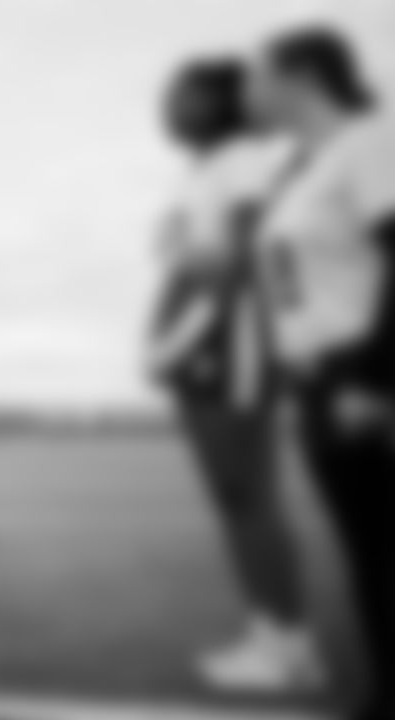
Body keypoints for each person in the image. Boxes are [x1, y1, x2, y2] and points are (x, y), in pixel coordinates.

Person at [148, 57, 321, 691]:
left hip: (232, 348)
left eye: (181, 94)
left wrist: (175, 345)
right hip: (207, 351)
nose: (167, 106)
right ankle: (270, 630)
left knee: (249, 497)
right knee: (235, 499)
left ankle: (290, 646)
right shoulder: (206, 170)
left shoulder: (246, 161)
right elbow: (193, 264)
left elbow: (246, 261)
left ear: (220, 104)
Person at [249, 25, 395, 720]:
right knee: (371, 554)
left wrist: (374, 375)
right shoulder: (310, 165)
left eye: (258, 73)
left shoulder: (371, 143)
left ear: (302, 74)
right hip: (320, 381)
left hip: (361, 378)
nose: (247, 89)